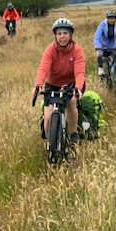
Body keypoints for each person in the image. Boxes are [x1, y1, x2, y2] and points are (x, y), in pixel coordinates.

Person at [34, 17, 86, 145]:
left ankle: (73, 134)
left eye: (65, 33)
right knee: (48, 118)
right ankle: (50, 143)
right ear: (55, 36)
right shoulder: (50, 50)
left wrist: (78, 88)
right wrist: (38, 84)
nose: (62, 36)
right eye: (59, 33)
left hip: (71, 84)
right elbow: (43, 68)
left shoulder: (77, 50)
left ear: (71, 35)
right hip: (52, 84)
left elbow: (79, 72)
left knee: (71, 102)